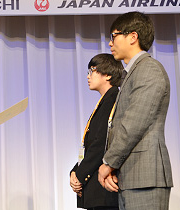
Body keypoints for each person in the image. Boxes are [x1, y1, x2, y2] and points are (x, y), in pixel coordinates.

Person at [98, 12, 173, 210]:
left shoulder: (149, 69)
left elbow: (133, 124)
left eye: (113, 36)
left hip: (146, 177)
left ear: (132, 37)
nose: (110, 43)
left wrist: (108, 163)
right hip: (130, 177)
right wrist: (114, 166)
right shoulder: (133, 73)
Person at [70, 54, 122, 210]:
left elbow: (101, 143)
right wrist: (74, 171)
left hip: (104, 190)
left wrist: (80, 175)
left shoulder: (113, 99)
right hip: (96, 190)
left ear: (108, 75)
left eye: (92, 70)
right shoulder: (104, 102)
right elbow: (90, 144)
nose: (88, 76)